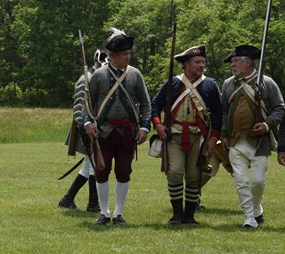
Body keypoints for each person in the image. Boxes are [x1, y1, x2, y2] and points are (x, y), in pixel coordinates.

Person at [83, 28, 151, 225]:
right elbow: (87, 103)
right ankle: (104, 213)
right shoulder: (98, 75)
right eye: (123, 54)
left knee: (124, 171)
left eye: (128, 53)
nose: (127, 57)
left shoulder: (135, 74)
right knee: (101, 172)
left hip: (127, 132)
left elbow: (146, 103)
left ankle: (118, 213)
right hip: (103, 131)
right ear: (112, 56)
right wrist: (87, 122)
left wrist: (144, 127)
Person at [150, 44, 222, 224]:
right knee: (174, 172)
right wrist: (158, 125)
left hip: (199, 137)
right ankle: (177, 214)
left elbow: (219, 114)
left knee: (193, 175)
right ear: (187, 64)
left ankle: (189, 216)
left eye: (203, 62)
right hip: (174, 135)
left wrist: (214, 138)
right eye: (197, 62)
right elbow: (155, 105)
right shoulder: (173, 83)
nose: (201, 65)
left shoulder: (210, 85)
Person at [221, 45, 284, 228]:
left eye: (236, 61)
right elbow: (224, 113)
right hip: (235, 140)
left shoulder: (266, 82)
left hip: (259, 141)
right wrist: (224, 134)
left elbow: (280, 108)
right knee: (240, 181)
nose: (232, 64)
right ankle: (249, 217)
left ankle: (256, 209)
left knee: (258, 181)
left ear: (248, 63)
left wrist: (266, 125)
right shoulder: (227, 84)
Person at [58, 49, 106, 212]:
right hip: (84, 130)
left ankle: (68, 198)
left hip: (95, 129)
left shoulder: (99, 78)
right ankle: (93, 204)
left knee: (88, 166)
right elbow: (79, 107)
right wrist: (84, 130)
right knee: (93, 166)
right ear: (97, 62)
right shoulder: (85, 79)